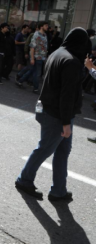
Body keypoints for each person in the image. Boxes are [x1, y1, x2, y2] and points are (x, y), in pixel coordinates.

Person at [15, 28, 91, 201]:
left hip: (50, 110)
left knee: (62, 150)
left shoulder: (58, 53)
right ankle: (24, 179)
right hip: (57, 115)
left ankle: (59, 190)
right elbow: (67, 96)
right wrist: (65, 123)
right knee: (45, 149)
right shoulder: (71, 61)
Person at [16, 21, 49, 93]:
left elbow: (44, 47)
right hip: (37, 57)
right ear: (41, 27)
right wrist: (32, 58)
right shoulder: (36, 35)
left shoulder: (45, 35)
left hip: (41, 57)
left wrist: (45, 57)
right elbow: (32, 47)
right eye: (46, 25)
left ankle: (20, 81)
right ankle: (35, 88)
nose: (47, 27)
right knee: (37, 73)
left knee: (31, 71)